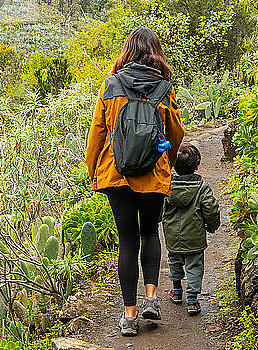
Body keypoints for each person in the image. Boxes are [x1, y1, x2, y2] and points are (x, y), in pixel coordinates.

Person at [85, 27, 184, 336]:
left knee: (127, 242)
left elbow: (96, 134)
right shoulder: (165, 88)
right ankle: (152, 298)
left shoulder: (111, 85)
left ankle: (129, 317)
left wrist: (95, 172)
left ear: (127, 52)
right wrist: (165, 158)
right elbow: (176, 133)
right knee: (150, 234)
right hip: (152, 174)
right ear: (156, 52)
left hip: (117, 175)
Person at [161, 143, 220, 315]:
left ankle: (177, 290)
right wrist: (212, 226)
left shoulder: (167, 186)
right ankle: (192, 300)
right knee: (194, 266)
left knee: (174, 261)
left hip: (172, 236)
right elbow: (211, 207)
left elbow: (159, 208)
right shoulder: (201, 188)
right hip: (195, 237)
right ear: (197, 166)